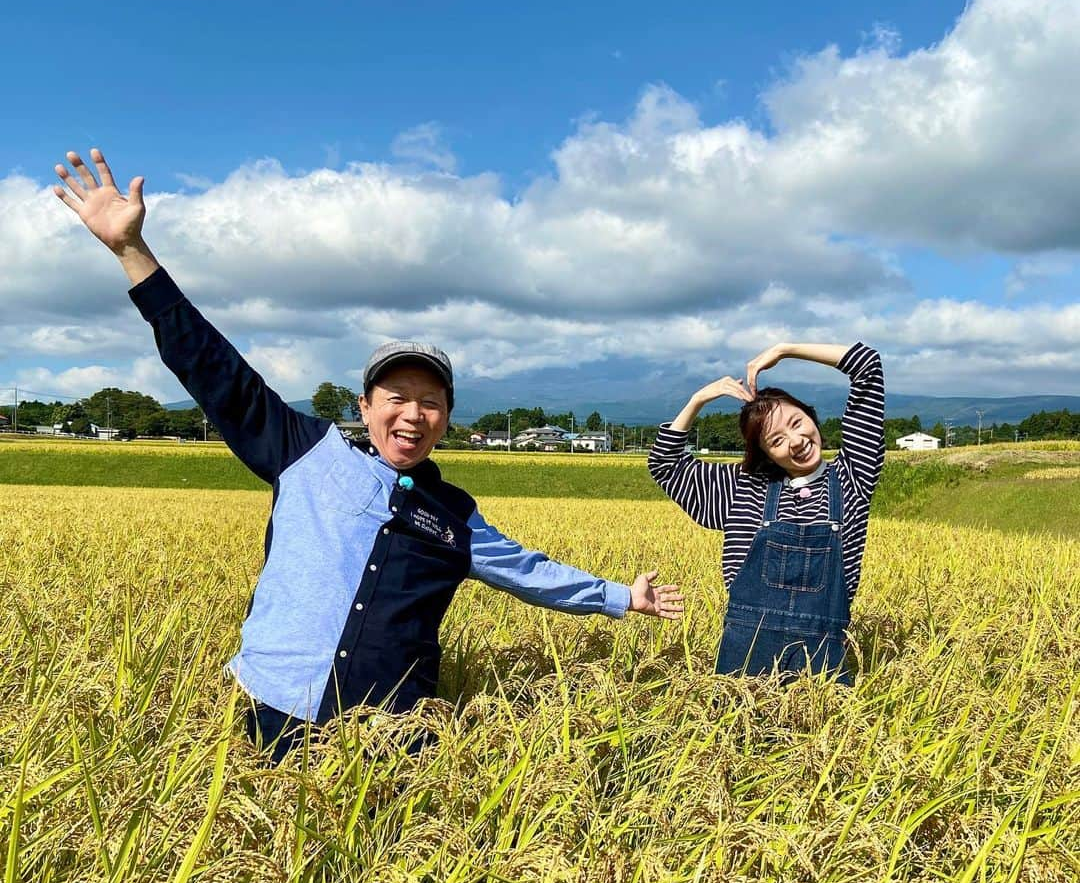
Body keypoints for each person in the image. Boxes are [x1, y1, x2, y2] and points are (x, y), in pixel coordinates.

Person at [55, 149, 684, 762]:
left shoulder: (454, 514)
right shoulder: (304, 451)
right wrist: (132, 251)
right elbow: (213, 369)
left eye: (430, 403)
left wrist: (622, 598)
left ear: (446, 418)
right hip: (275, 709)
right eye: (397, 397)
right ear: (364, 405)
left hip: (392, 736)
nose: (412, 415)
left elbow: (529, 571)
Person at [649, 341, 884, 683]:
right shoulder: (743, 488)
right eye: (776, 440)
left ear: (812, 416)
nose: (795, 440)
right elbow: (665, 465)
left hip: (822, 654)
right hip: (747, 651)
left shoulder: (852, 478)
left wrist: (786, 350)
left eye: (796, 422)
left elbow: (868, 367)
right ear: (766, 454)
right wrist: (698, 400)